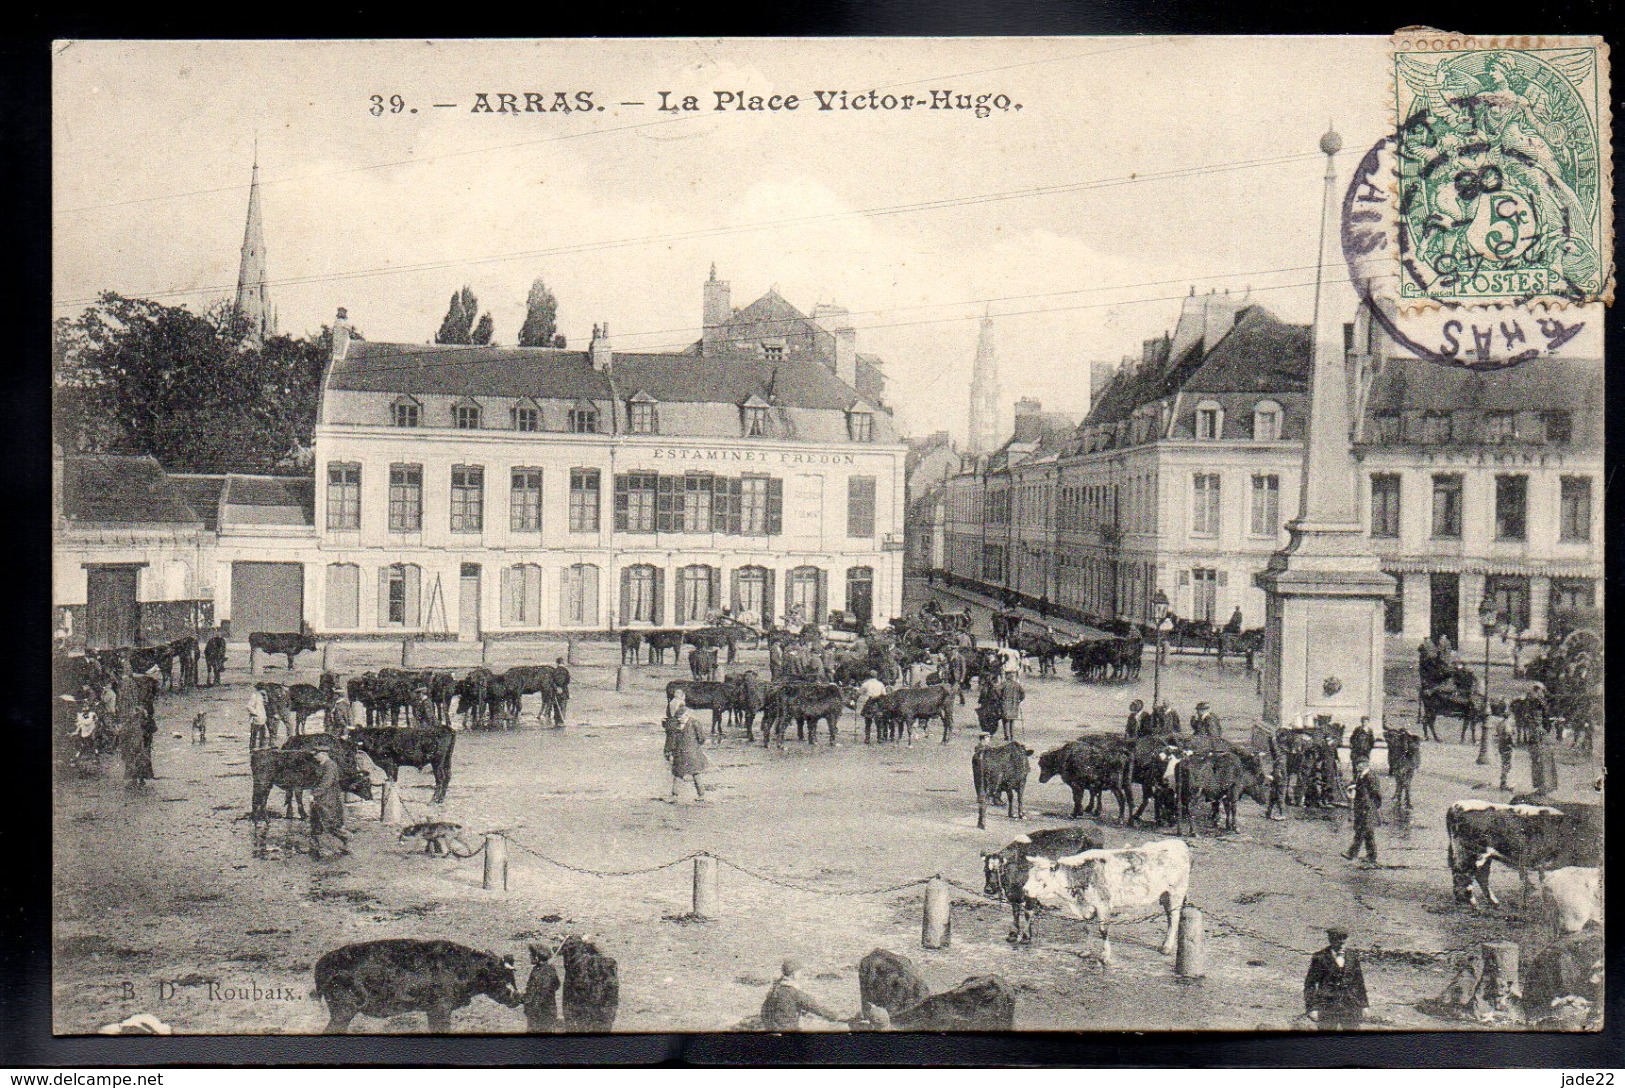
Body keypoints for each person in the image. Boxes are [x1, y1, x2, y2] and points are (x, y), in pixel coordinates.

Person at [1304, 927, 1368, 1030]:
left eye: (1344, 937)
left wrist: (1364, 1005)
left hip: (1350, 1007)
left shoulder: (1353, 956)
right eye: (1339, 938)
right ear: (1331, 939)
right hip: (1327, 1007)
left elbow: (1359, 983)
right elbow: (1309, 985)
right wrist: (1312, 1008)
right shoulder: (1320, 957)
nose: (1342, 941)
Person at [760, 959, 848, 1032]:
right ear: (794, 974)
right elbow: (815, 1007)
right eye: (800, 972)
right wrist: (835, 1016)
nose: (801, 974)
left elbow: (764, 1011)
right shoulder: (793, 992)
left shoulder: (775, 989)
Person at [663, 691, 709, 802]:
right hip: (694, 753)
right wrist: (698, 744)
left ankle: (674, 796)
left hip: (680, 754)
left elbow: (671, 741)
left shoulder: (674, 725)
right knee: (696, 773)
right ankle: (701, 795)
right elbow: (702, 738)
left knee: (678, 775)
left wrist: (668, 752)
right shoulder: (695, 722)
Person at [307, 748, 350, 860]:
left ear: (324, 754)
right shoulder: (321, 764)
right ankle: (316, 848)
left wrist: (315, 794)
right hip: (319, 800)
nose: (314, 757)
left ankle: (343, 842)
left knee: (329, 824)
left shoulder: (330, 765)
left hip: (328, 800)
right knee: (315, 823)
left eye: (316, 754)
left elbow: (327, 782)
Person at [1344, 759, 1381, 864]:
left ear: (1365, 765)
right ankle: (1370, 855)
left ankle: (1352, 853)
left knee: (1363, 832)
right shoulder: (1362, 775)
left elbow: (1375, 792)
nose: (1357, 767)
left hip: (1367, 808)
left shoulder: (1370, 776)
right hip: (1362, 807)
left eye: (1359, 765)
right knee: (1366, 832)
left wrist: (1372, 806)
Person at [854, 673, 887, 744]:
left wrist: (855, 698)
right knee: (879, 722)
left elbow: (858, 693)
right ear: (876, 676)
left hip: (869, 704)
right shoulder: (880, 684)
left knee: (868, 722)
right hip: (878, 704)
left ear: (869, 676)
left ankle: (867, 739)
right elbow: (884, 694)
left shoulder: (866, 684)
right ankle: (879, 738)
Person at [1493, 699, 1515, 791]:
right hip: (1507, 746)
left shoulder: (1500, 724)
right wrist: (1512, 744)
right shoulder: (1507, 724)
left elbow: (1498, 734)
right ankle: (1504, 783)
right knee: (1508, 765)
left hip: (1501, 745)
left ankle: (1503, 782)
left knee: (1504, 764)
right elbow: (1509, 736)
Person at [999, 671, 1025, 742]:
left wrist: (1000, 698)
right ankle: (1012, 736)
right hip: (1015, 705)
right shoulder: (1017, 684)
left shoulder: (1004, 684)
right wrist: (1020, 700)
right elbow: (1023, 693)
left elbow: (997, 690)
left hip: (1006, 704)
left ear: (1007, 676)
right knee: (1012, 720)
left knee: (1006, 720)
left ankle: (1007, 736)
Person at [248, 684, 270, 750]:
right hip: (256, 719)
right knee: (254, 735)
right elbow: (249, 706)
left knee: (262, 734)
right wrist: (256, 713)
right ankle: (252, 748)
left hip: (262, 718)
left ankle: (261, 748)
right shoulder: (255, 695)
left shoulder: (264, 695)